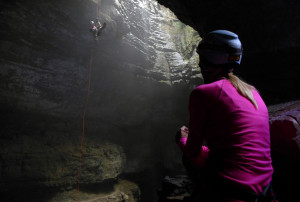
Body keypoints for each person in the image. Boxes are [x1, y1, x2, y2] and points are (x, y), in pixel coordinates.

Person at [176, 30, 276, 201]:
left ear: (206, 62)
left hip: (231, 192)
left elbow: (193, 151)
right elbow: (236, 153)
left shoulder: (203, 93)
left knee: (184, 149)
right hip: (266, 191)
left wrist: (182, 139)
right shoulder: (252, 93)